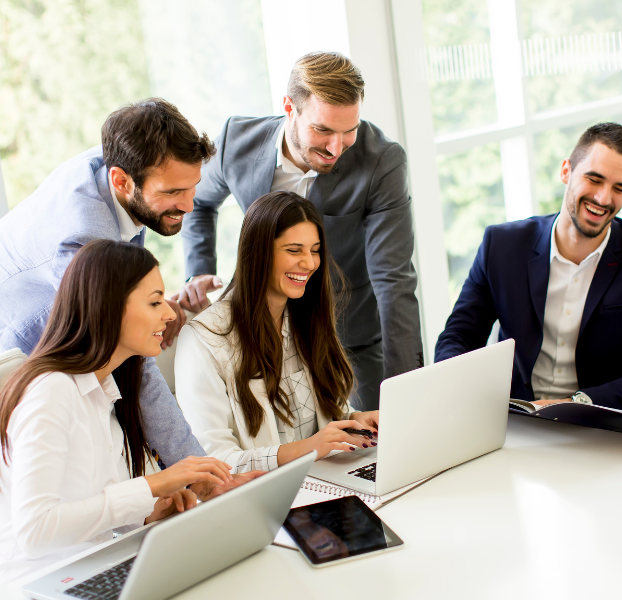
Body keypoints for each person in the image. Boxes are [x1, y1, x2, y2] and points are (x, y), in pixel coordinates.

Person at [0, 98, 258, 497]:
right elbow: (138, 367)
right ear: (121, 181)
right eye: (173, 192)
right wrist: (203, 477)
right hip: (22, 352)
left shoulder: (122, 164)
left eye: (193, 187)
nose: (189, 205)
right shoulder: (83, 238)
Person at [175, 52, 423, 411]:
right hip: (260, 333)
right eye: (323, 130)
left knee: (381, 434)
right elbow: (196, 201)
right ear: (289, 108)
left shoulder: (381, 161)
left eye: (349, 131)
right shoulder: (236, 141)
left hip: (348, 337)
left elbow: (394, 279)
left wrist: (407, 389)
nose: (336, 147)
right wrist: (199, 269)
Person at [0, 241, 239, 583]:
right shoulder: (51, 391)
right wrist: (152, 485)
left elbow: (93, 505)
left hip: (90, 570)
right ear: (108, 308)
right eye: (155, 302)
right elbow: (35, 531)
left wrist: (150, 512)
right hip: (39, 583)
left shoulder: (105, 391)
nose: (170, 314)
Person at [435, 123, 622, 411]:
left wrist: (574, 405)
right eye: (594, 179)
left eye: (619, 188)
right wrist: (463, 395)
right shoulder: (501, 246)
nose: (603, 198)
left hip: (603, 420)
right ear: (566, 171)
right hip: (514, 414)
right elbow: (459, 337)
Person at [175, 191, 379, 473]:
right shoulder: (203, 339)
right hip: (266, 494)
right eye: (294, 250)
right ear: (258, 252)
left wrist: (353, 421)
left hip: (326, 480)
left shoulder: (305, 318)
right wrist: (307, 448)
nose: (309, 263)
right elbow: (214, 461)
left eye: (315, 250)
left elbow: (313, 424)